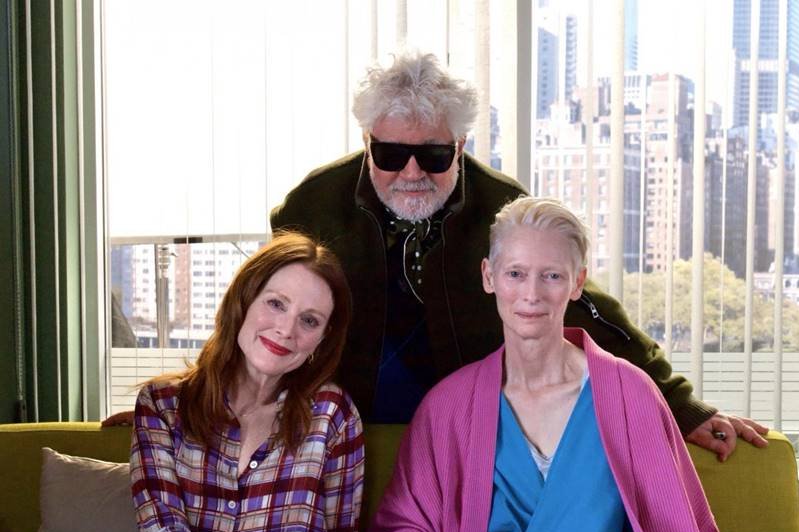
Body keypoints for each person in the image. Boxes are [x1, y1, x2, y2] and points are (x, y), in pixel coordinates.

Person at [273, 198, 793, 532]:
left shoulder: (630, 395)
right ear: (488, 276)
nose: (531, 295)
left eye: (551, 276)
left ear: (578, 281)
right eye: (516, 273)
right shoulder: (450, 405)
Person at [269, 50, 766, 461]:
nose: (412, 172)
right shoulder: (312, 205)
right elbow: (262, 310)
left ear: (460, 146)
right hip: (340, 432)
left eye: (435, 155)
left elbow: (577, 303)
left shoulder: (499, 204)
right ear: (367, 143)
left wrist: (682, 406)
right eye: (392, 155)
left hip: (467, 433)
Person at [76, 231, 364, 532]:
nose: (285, 329)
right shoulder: (163, 405)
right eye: (275, 303)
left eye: (309, 320)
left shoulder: (333, 417)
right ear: (243, 301)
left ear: (322, 340)